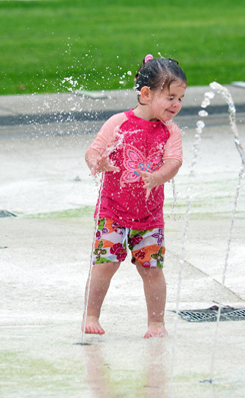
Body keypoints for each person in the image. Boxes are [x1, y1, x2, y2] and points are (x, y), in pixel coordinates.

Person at [82, 54, 187, 338]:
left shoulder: (170, 131)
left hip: (150, 218)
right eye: (171, 97)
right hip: (112, 212)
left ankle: (156, 322)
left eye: (180, 98)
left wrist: (158, 177)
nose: (176, 105)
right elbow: (93, 150)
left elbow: (174, 162)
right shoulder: (118, 123)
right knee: (105, 264)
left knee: (152, 270)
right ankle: (91, 315)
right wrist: (97, 163)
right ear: (145, 94)